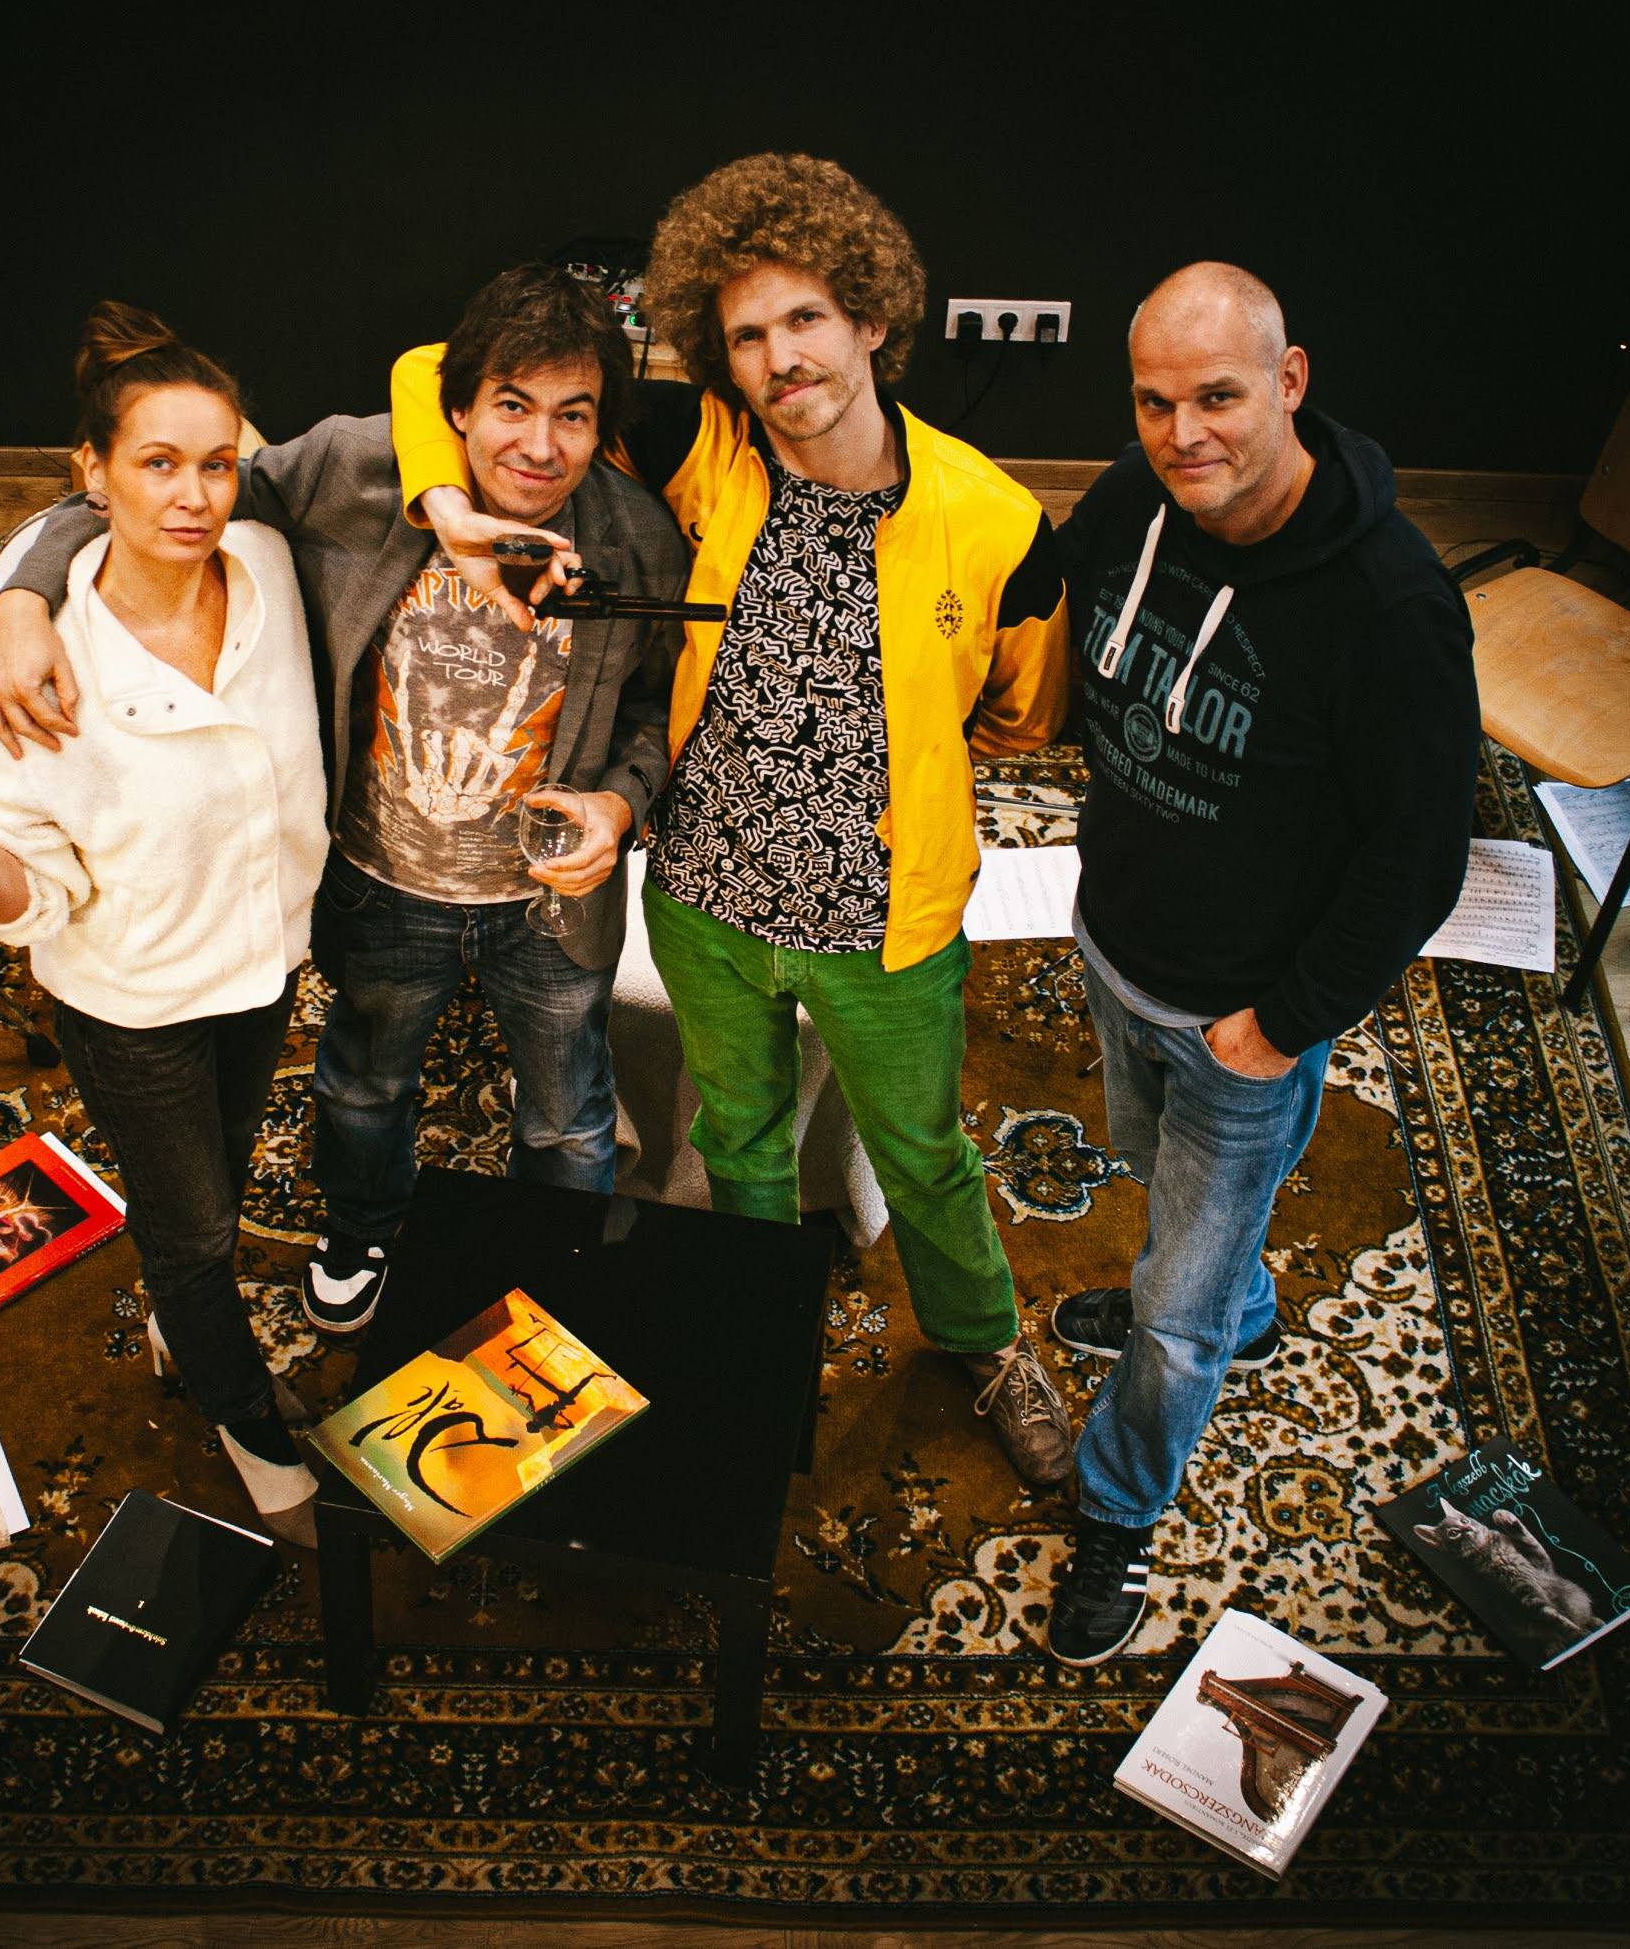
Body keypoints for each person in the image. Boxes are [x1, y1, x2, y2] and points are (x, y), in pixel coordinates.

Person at [394, 155, 1076, 1489]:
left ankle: (985, 1343)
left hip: (883, 926)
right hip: (704, 901)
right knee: (739, 1145)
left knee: (925, 1155)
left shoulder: (999, 525)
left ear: (872, 318)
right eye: (748, 335)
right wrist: (452, 512)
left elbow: (1022, 715)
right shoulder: (702, 445)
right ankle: (756, 1332)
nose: (780, 359)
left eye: (806, 319)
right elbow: (434, 368)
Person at [0, 266, 687, 1335]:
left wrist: (621, 807)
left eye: (573, 416)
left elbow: (655, 709)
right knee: (363, 1085)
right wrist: (23, 600)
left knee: (571, 1119)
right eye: (512, 405)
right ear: (457, 408)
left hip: (547, 902)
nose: (541, 445)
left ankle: (557, 1262)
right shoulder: (356, 469)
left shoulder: (640, 539)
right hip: (378, 880)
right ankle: (362, 1228)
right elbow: (151, 501)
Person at [1043, 261, 1481, 1663]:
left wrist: (1281, 1025)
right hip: (1119, 944)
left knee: (1171, 1319)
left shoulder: (1393, 608)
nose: (1184, 437)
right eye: (1154, 403)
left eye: (1219, 397)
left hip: (1244, 1018)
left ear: (1290, 383)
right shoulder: (1138, 494)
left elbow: (1419, 861)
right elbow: (1042, 581)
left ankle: (1118, 1505)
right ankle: (1245, 1302)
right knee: (1142, 1165)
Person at [0, 302, 330, 1546]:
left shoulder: (272, 566)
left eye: (216, 464)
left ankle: (178, 1324)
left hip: (262, 961)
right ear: (91, 473)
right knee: (193, 1228)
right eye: (158, 463)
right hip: (133, 999)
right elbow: (28, 896)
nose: (193, 496)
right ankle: (242, 1413)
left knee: (222, 1171)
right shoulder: (43, 668)